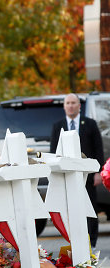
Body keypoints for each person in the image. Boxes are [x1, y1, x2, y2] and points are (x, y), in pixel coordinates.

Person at [50, 93, 104, 249]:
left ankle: (91, 243)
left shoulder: (90, 124)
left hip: (87, 176)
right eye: (68, 103)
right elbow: (53, 152)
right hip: (67, 177)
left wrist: (98, 172)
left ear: (79, 106)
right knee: (70, 209)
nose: (71, 105)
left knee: (90, 208)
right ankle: (74, 241)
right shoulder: (57, 126)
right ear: (64, 106)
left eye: (74, 102)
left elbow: (98, 149)